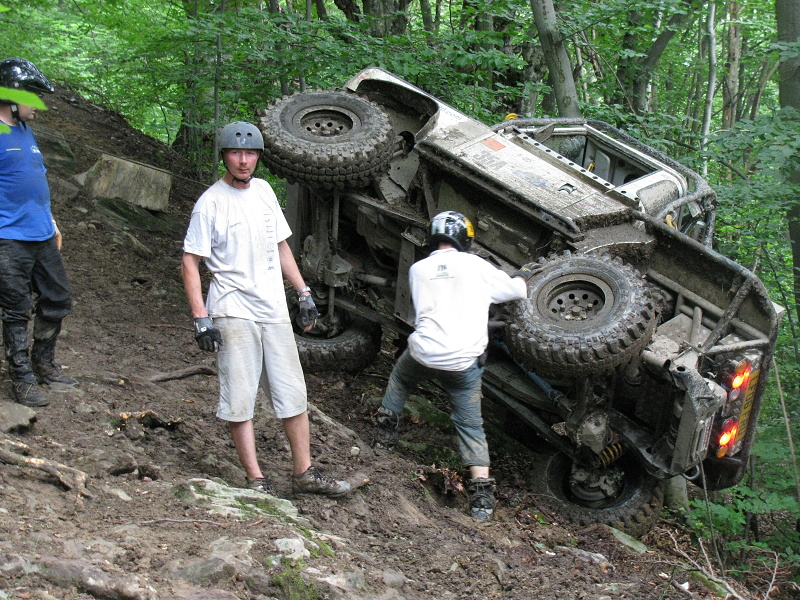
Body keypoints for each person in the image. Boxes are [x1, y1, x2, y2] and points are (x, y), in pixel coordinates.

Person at [181, 121, 351, 498]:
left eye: (251, 153)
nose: (244, 161)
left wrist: (303, 292)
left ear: (259, 157)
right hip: (232, 309)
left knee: (293, 392)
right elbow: (190, 262)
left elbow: (281, 246)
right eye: (237, 153)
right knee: (240, 397)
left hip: (273, 307)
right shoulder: (210, 203)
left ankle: (304, 472)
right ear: (224, 156)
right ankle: (255, 478)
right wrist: (201, 318)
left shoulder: (263, 191)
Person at [373, 211, 531, 521]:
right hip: (461, 363)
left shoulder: (418, 269)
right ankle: (482, 499)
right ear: (465, 238)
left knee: (401, 380)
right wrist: (523, 274)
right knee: (470, 424)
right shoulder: (474, 265)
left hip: (423, 354)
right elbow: (516, 291)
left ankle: (383, 435)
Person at [0, 57, 76, 408]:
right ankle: (21, 377)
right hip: (8, 237)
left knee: (57, 298)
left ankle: (42, 363)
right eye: (33, 95)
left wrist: (52, 220)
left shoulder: (26, 132)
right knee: (16, 310)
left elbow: (33, 182)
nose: (38, 104)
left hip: (42, 233)